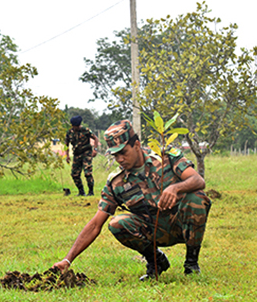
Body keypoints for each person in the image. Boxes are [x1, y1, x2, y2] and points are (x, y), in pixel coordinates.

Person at [53, 120, 212, 280]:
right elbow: (95, 225)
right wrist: (68, 260)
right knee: (117, 223)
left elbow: (198, 181)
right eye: (115, 155)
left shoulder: (164, 156)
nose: (120, 159)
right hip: (153, 232)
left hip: (181, 225)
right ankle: (156, 261)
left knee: (196, 198)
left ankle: (191, 264)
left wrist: (176, 188)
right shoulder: (116, 183)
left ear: (136, 145)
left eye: (123, 152)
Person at [65, 115, 99, 196]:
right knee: (74, 174)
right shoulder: (70, 133)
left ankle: (91, 192)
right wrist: (67, 156)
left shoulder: (85, 130)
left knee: (87, 173)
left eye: (76, 126)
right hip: (77, 154)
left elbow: (96, 138)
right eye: (73, 126)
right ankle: (81, 192)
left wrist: (95, 149)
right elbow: (66, 144)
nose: (75, 127)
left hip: (86, 153)